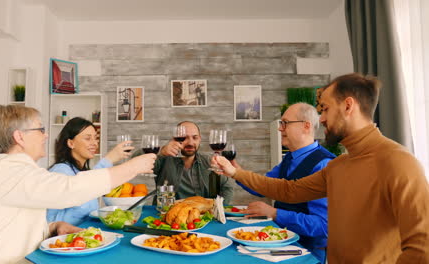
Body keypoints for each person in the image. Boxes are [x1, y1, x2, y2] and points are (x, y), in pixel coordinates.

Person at [213, 73, 429, 263]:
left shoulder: (399, 162)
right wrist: (235, 173)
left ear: (348, 106)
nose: (321, 119)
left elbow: (423, 245)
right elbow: (288, 190)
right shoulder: (339, 165)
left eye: (325, 109)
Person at [0, 105, 156, 264]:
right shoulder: (5, 171)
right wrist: (133, 167)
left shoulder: (10, 170)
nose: (46, 136)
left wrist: (53, 227)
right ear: (19, 137)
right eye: (40, 129)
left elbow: (14, 224)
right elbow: (69, 189)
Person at [237, 103, 335, 263]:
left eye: (285, 123)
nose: (280, 128)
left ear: (306, 126)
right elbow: (263, 187)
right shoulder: (289, 158)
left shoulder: (324, 165)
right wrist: (236, 172)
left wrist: (274, 213)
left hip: (307, 252)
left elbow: (323, 226)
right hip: (280, 242)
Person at [47, 117, 134, 225]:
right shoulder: (60, 171)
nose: (95, 143)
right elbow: (51, 219)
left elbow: (88, 187)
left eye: (96, 138)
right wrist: (109, 159)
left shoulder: (79, 170)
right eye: (88, 138)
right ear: (71, 143)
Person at [152, 121, 234, 203]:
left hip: (201, 214)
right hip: (166, 213)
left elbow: (227, 187)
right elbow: (139, 159)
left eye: (195, 138)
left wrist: (218, 208)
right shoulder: (163, 160)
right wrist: (161, 152)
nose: (190, 143)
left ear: (200, 139)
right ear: (175, 139)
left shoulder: (211, 162)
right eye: (185, 138)